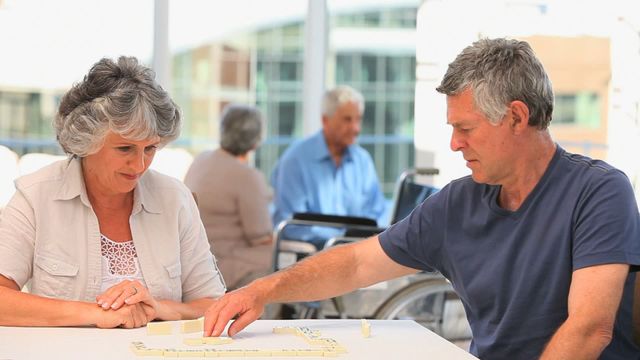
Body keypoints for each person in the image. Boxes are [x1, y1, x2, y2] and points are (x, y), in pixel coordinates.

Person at [202, 38, 640, 359]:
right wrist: (265, 288)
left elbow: (589, 329)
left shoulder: (599, 192)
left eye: (465, 129)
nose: (454, 144)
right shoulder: (458, 204)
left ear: (516, 117)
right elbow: (357, 263)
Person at [0, 56, 226, 329]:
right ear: (86, 140)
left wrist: (158, 308)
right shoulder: (35, 197)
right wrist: (97, 313)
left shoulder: (175, 199)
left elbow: (212, 304)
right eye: (125, 149)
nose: (139, 164)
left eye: (150, 148)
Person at [271, 85, 387, 248]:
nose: (356, 128)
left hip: (358, 252)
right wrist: (341, 241)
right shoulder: (295, 160)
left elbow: (377, 214)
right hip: (314, 255)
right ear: (325, 120)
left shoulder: (362, 160)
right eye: (347, 120)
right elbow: (292, 225)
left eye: (358, 119)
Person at [184, 104, 273, 290]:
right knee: (287, 257)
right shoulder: (247, 176)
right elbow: (260, 236)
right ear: (256, 140)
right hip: (225, 263)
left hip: (193, 257)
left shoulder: (202, 160)